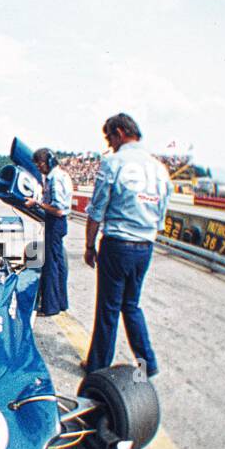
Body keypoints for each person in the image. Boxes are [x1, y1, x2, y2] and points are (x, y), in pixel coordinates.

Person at [83, 113, 171, 377]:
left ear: (120, 132)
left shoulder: (114, 162)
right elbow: (161, 217)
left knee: (108, 309)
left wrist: (89, 246)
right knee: (131, 306)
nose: (110, 143)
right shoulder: (159, 168)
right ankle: (147, 364)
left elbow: (97, 209)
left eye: (109, 137)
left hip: (118, 244)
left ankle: (98, 368)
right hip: (145, 246)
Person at [25, 147, 74, 317]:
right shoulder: (60, 176)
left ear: (48, 162)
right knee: (58, 265)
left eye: (39, 164)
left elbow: (58, 209)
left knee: (51, 266)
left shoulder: (55, 178)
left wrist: (37, 203)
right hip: (58, 224)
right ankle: (61, 303)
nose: (38, 168)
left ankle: (50, 307)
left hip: (55, 223)